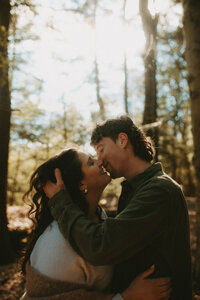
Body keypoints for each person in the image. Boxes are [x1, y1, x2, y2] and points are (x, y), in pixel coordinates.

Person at [44, 116, 192, 300]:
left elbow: (101, 246)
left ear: (122, 140)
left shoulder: (159, 190)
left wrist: (61, 202)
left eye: (101, 149)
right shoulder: (134, 190)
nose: (99, 160)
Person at [21, 148, 171, 300]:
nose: (100, 161)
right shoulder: (57, 243)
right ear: (80, 184)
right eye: (91, 163)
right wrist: (127, 297)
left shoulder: (98, 216)